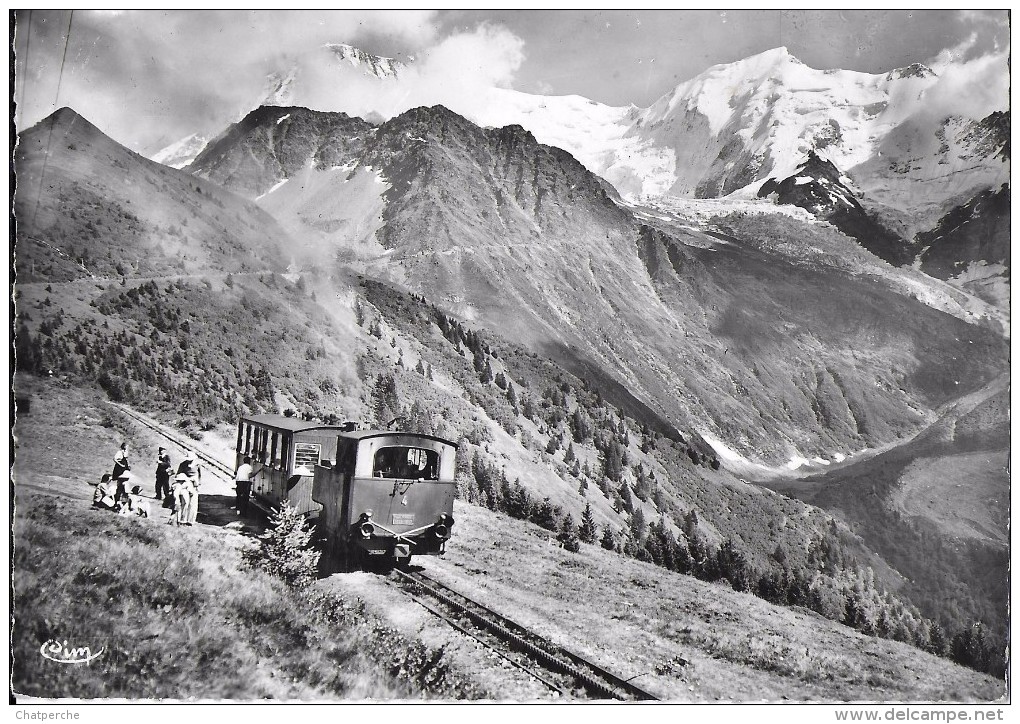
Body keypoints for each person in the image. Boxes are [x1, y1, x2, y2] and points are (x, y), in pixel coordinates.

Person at [177, 451, 202, 525]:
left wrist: (198, 484)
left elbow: (200, 476)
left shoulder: (197, 465)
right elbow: (178, 475)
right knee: (184, 502)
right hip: (185, 484)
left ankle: (191, 521)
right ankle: (182, 519)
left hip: (194, 485)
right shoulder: (183, 465)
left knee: (193, 503)